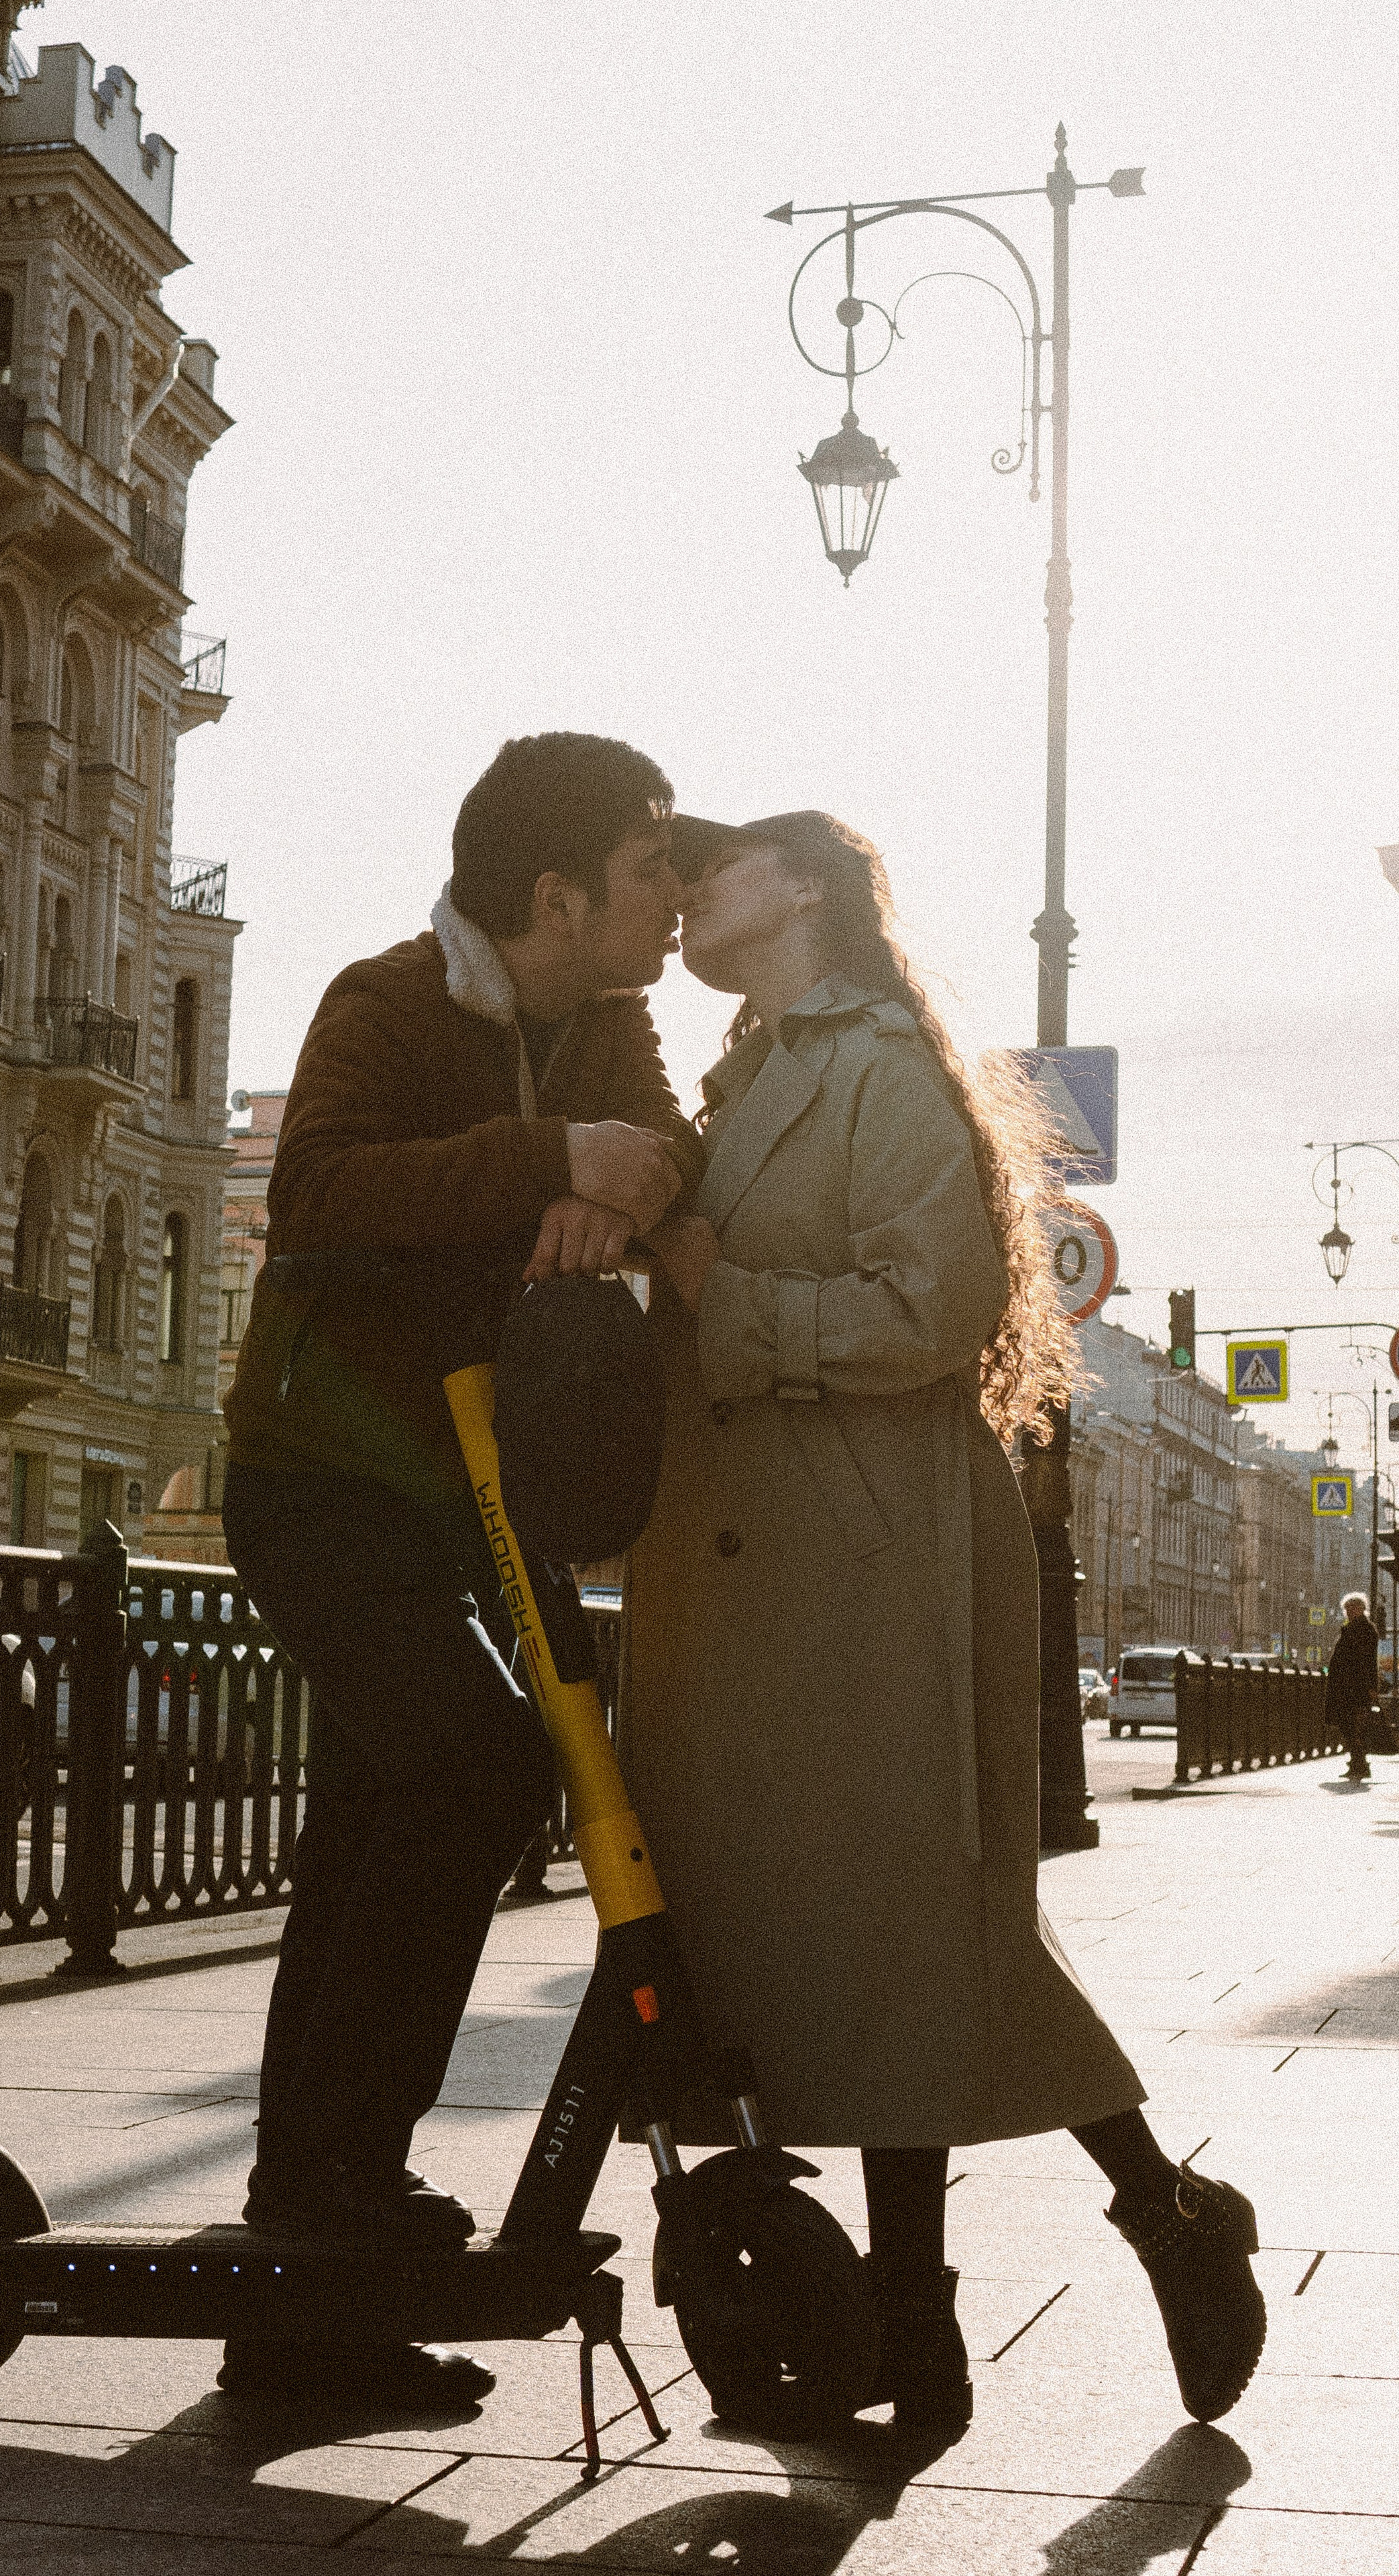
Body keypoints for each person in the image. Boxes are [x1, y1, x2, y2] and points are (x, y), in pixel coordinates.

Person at [628, 808, 1267, 2434]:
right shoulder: (747, 1067)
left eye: (725, 865)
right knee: (854, 1946)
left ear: (811, 893)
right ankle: (1113, 2240)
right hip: (760, 1563)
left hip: (870, 1551)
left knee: (906, 1935)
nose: (693, 889)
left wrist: (721, 1293)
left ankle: (956, 2307)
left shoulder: (877, 1063)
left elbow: (937, 1309)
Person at [217, 731, 702, 2402]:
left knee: (369, 1828)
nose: (679, 890)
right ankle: (333, 2195)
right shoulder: (384, 999)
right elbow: (318, 1197)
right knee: (476, 1768)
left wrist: (621, 1193)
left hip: (453, 1500)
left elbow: (664, 1146)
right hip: (317, 1481)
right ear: (554, 893)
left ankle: (302, 2282)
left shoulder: (608, 1018)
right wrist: (557, 1161)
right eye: (652, 862)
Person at [1328, 1590, 1379, 1782]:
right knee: (1349, 1725)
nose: (1349, 1612)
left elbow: (1368, 1661)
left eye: (1353, 1608)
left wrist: (1371, 1686)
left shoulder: (1364, 1630)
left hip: (1355, 1687)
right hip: (1347, 1687)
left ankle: (1359, 1764)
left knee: (1354, 1725)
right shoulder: (1353, 1629)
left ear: (1362, 1609)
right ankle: (1357, 1763)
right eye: (1347, 1609)